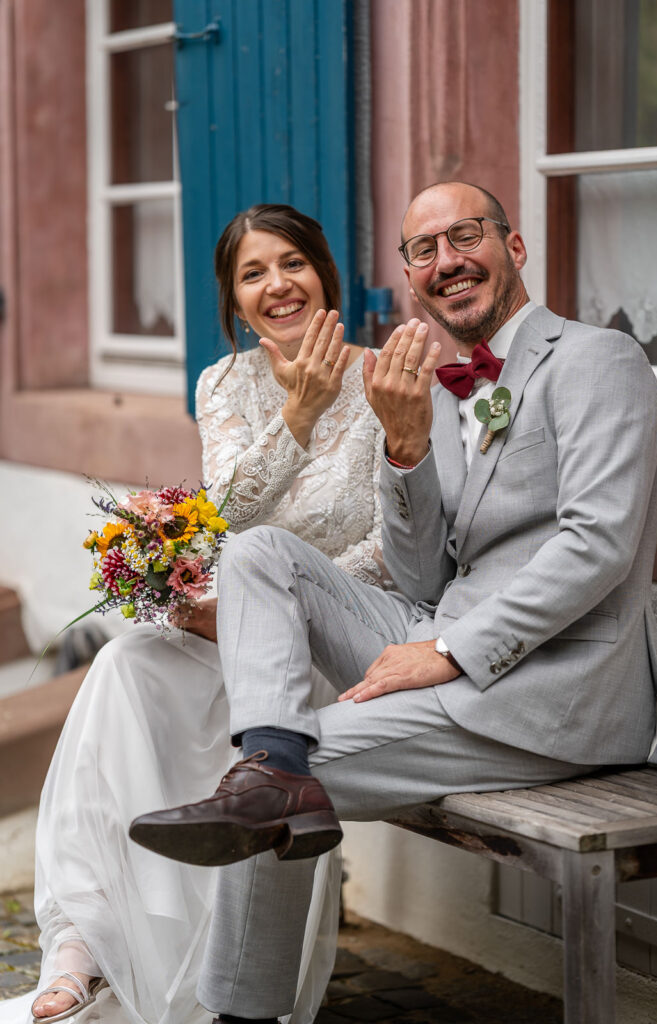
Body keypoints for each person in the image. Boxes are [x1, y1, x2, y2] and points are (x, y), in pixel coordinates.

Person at [131, 181, 657, 1024]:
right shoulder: (442, 388)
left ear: (514, 247)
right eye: (423, 250)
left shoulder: (596, 359)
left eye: (465, 237)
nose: (446, 262)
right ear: (410, 278)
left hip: (551, 691)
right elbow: (422, 578)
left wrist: (450, 652)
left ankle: (241, 1005)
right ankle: (272, 751)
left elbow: (596, 545)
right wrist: (406, 445)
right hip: (440, 635)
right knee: (255, 551)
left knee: (271, 789)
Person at [12, 204, 391, 1024]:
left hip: (329, 641)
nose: (276, 285)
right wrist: (294, 419)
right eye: (252, 273)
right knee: (123, 665)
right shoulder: (223, 384)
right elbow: (225, 513)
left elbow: (391, 547)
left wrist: (275, 612)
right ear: (233, 299)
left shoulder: (383, 377)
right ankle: (87, 942)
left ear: (324, 272)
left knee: (202, 687)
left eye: (290, 262)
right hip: (231, 628)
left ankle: (210, 959)